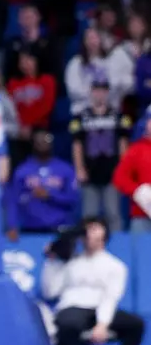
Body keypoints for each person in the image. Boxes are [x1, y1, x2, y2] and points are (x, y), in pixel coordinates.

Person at [45, 217, 142, 345]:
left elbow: (110, 297)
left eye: (95, 228)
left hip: (99, 310)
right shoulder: (71, 262)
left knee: (136, 325)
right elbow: (50, 291)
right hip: (73, 307)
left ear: (104, 234)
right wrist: (52, 261)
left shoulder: (115, 266)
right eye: (86, 229)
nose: (89, 232)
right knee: (66, 324)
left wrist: (102, 324)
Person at [71, 81, 132, 233]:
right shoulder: (81, 117)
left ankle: (118, 249)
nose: (100, 94)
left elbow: (123, 144)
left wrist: (123, 170)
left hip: (112, 173)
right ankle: (88, 247)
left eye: (103, 90)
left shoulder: (119, 117)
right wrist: (79, 169)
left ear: (108, 92)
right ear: (91, 92)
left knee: (113, 214)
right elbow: (77, 145)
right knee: (88, 215)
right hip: (90, 173)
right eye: (97, 90)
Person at [5, 130, 80, 237]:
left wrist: (51, 195)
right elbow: (13, 200)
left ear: (52, 144)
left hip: (60, 227)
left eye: (46, 141)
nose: (42, 144)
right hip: (30, 228)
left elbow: (73, 199)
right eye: (39, 141)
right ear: (33, 144)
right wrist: (12, 225)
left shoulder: (65, 168)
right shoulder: (22, 170)